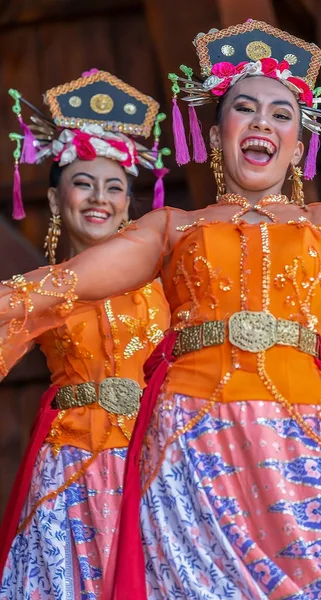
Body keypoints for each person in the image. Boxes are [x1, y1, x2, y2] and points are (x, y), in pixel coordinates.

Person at [0, 19, 321, 599]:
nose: (263, 121)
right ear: (217, 135)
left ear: (299, 141)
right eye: (245, 108)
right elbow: (62, 286)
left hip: (306, 439)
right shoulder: (173, 229)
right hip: (194, 445)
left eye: (281, 113)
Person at [0, 70, 170, 599]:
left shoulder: (168, 286)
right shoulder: (42, 292)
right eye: (82, 182)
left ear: (128, 204)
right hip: (71, 466)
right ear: (55, 202)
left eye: (114, 186)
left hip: (156, 463)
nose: (99, 197)